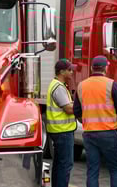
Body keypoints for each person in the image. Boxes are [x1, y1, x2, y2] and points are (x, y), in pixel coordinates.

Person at [73, 55, 117, 187]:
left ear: (91, 68)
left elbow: (77, 112)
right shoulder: (111, 84)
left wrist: (87, 120)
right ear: (106, 68)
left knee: (92, 171)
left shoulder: (81, 85)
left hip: (90, 133)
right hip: (108, 132)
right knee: (115, 170)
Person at [46, 59, 77, 187]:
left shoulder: (57, 85)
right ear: (62, 71)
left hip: (59, 131)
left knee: (59, 164)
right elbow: (68, 109)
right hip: (62, 131)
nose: (72, 72)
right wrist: (81, 106)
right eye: (69, 70)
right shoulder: (58, 87)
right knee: (65, 165)